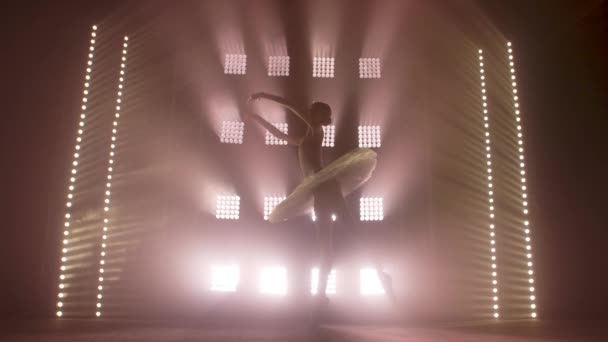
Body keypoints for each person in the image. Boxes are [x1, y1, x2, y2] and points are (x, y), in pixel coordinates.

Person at [245, 92, 395, 315]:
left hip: (327, 190)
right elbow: (280, 135)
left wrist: (264, 95)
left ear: (316, 115)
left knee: (347, 237)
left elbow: (291, 104)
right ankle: (321, 295)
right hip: (320, 193)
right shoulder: (307, 136)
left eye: (313, 112)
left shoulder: (316, 130)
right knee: (326, 248)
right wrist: (258, 120)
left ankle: (377, 275)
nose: (308, 114)